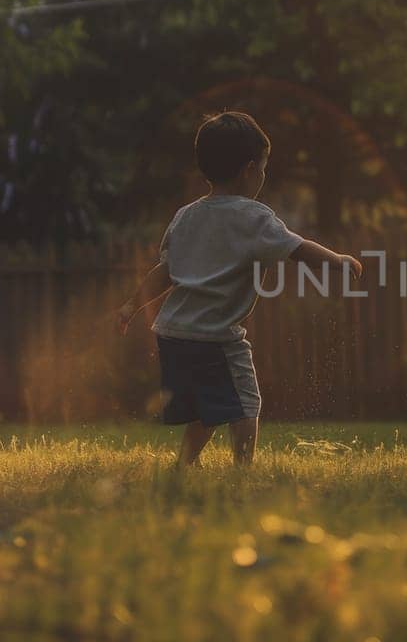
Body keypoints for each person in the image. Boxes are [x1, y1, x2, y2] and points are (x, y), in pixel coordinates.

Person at [117, 111, 362, 466]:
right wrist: (337, 260)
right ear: (250, 170)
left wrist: (130, 306)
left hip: (173, 334)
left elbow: (165, 271)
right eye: (263, 167)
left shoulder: (185, 216)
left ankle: (186, 463)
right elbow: (299, 248)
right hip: (215, 336)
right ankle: (243, 470)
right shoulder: (253, 217)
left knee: (208, 405)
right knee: (245, 404)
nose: (263, 175)